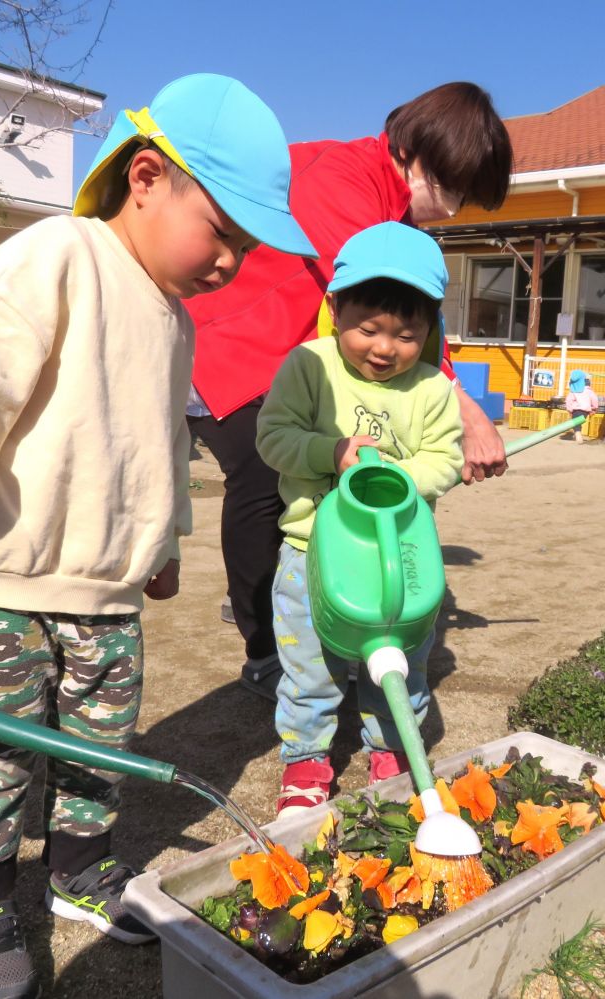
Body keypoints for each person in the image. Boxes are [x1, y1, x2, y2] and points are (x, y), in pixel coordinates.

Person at [0, 73, 315, 999]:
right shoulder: (60, 255)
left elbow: (157, 441)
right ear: (147, 177)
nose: (228, 261)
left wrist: (167, 537)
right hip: (5, 591)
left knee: (98, 750)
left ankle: (81, 871)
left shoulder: (176, 322)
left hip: (106, 599)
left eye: (245, 247)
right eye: (221, 232)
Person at [185, 82, 513, 699]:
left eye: (465, 198)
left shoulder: (395, 209)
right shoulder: (343, 176)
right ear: (418, 149)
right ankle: (264, 643)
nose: (451, 208)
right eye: (451, 187)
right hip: (232, 349)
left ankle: (313, 612)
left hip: (285, 359)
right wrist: (467, 413)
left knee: (315, 490)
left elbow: (417, 321)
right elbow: (369, 287)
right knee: (262, 483)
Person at [257, 222, 463, 811]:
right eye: (368, 328)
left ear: (430, 331)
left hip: (397, 555)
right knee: (309, 668)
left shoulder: (432, 388)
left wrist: (398, 480)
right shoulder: (309, 366)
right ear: (335, 308)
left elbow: (444, 459)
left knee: (397, 663)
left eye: (406, 334)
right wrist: (331, 452)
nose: (384, 347)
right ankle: (304, 762)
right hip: (309, 551)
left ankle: (392, 750)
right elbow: (273, 438)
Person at [565, 369, 599, 443]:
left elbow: (568, 400)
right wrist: (594, 409)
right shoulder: (590, 391)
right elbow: (595, 399)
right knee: (578, 423)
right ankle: (577, 434)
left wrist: (569, 410)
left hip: (575, 410)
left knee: (576, 423)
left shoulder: (574, 391)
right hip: (585, 411)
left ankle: (578, 435)